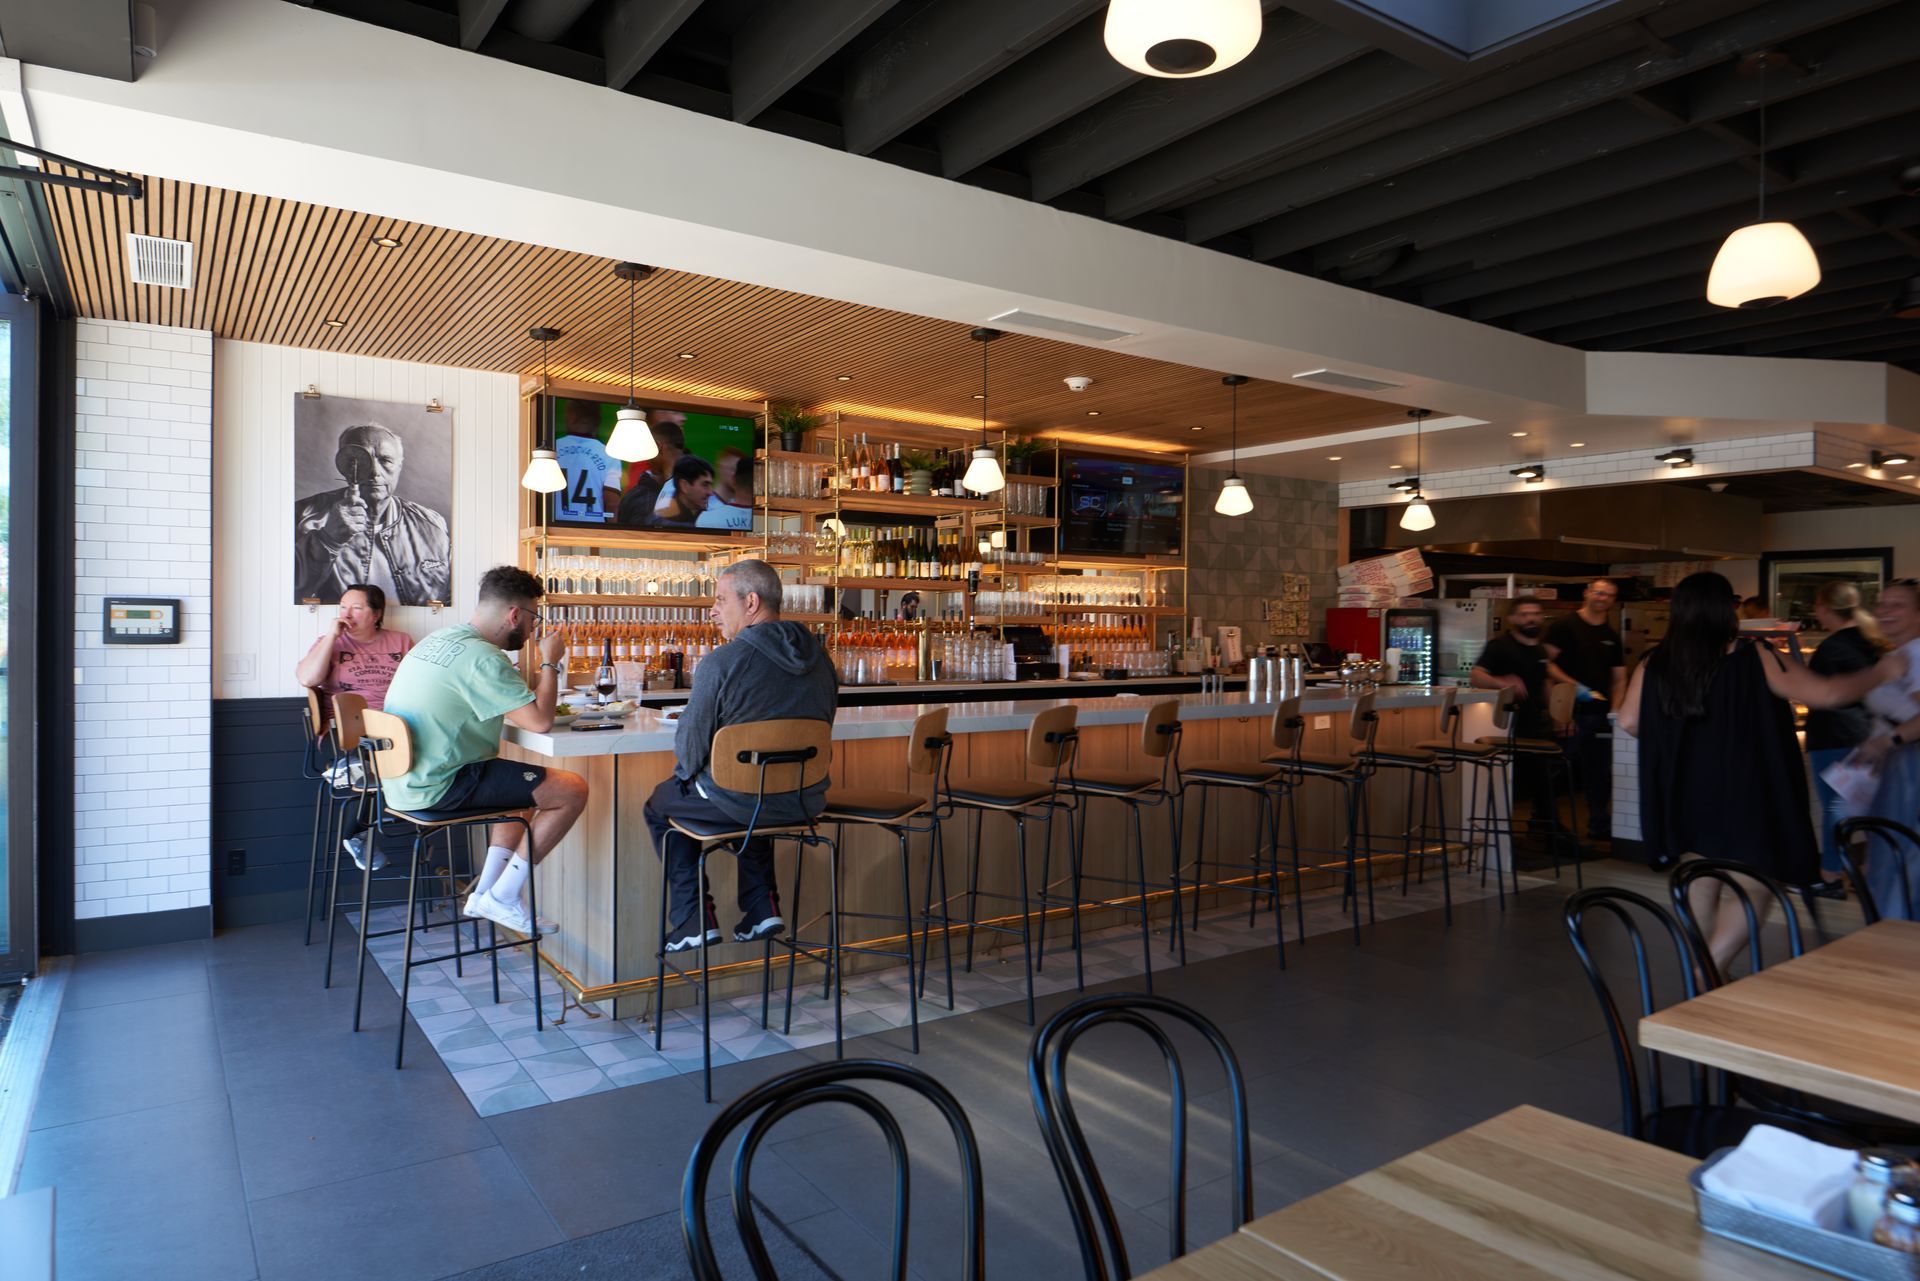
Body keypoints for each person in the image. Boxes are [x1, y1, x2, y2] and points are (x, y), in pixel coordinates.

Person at [1617, 572, 1822, 974]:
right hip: (1743, 786)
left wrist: (1671, 733)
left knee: (1700, 878)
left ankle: (1702, 968)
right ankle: (1708, 967)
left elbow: (1627, 720)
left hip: (1687, 789)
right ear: (1724, 608)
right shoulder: (1753, 655)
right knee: (1754, 884)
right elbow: (1814, 694)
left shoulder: (1656, 661)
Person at [379, 565, 590, 934]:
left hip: (404, 781)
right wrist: (549, 661)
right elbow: (540, 720)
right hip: (438, 785)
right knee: (572, 789)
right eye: (533, 616)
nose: (532, 627)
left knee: (522, 795)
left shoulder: (440, 640)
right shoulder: (482, 658)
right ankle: (504, 896)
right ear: (514, 615)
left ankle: (486, 895)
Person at [643, 559, 838, 951]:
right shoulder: (821, 660)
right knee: (751, 788)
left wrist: (689, 777)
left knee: (663, 803)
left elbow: (689, 748)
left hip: (744, 804)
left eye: (719, 599)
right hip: (803, 800)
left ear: (751, 602)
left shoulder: (722, 663)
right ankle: (761, 905)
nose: (712, 610)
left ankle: (692, 918)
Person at [294, 583, 414, 871]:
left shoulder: (401, 641)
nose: (346, 614)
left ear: (376, 614)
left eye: (356, 608)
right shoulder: (330, 642)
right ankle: (362, 790)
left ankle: (356, 776)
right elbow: (307, 679)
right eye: (343, 607)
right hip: (348, 730)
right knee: (385, 757)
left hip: (394, 726)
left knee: (405, 751)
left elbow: (420, 683)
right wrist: (331, 638)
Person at [294, 423, 452, 606]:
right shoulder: (304, 516)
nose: (375, 472)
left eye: (385, 460)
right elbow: (288, 593)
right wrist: (328, 539)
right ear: (344, 466)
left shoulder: (433, 524)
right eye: (360, 460)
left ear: (399, 466)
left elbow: (448, 597)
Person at [1803, 582, 1887, 895]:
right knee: (1855, 806)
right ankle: (1859, 871)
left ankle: (1831, 877)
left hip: (1834, 736)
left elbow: (1819, 695)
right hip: (1864, 734)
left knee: (1835, 808)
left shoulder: (1833, 647)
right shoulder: (1871, 640)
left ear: (1825, 608)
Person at [1470, 599, 1565, 844]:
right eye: (1524, 614)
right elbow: (1477, 676)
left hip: (1535, 723)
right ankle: (1503, 839)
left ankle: (1549, 831)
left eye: (1535, 614)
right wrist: (1502, 681)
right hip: (1507, 725)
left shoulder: (1540, 650)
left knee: (1543, 781)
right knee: (1517, 782)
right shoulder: (1500, 646)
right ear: (1512, 619)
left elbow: (1544, 683)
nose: (1531, 619)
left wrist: (1558, 714)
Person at [1546, 579, 1626, 841]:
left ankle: (1599, 828)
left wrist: (1614, 713)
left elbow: (1620, 678)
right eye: (1599, 593)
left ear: (1613, 602)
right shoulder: (1564, 626)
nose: (1602, 598)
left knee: (1600, 775)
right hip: (1569, 710)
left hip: (1599, 715)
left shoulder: (1611, 636)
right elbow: (1546, 663)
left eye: (1609, 595)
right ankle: (1546, 824)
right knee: (1557, 770)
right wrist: (1573, 685)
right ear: (1587, 594)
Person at [614, 417, 686, 528]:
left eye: (649, 449)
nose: (647, 456)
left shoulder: (636, 497)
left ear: (658, 447)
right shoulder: (697, 492)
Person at [654, 454, 716, 527]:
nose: (710, 493)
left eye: (710, 485)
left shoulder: (712, 514)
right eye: (705, 485)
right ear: (684, 486)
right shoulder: (662, 520)